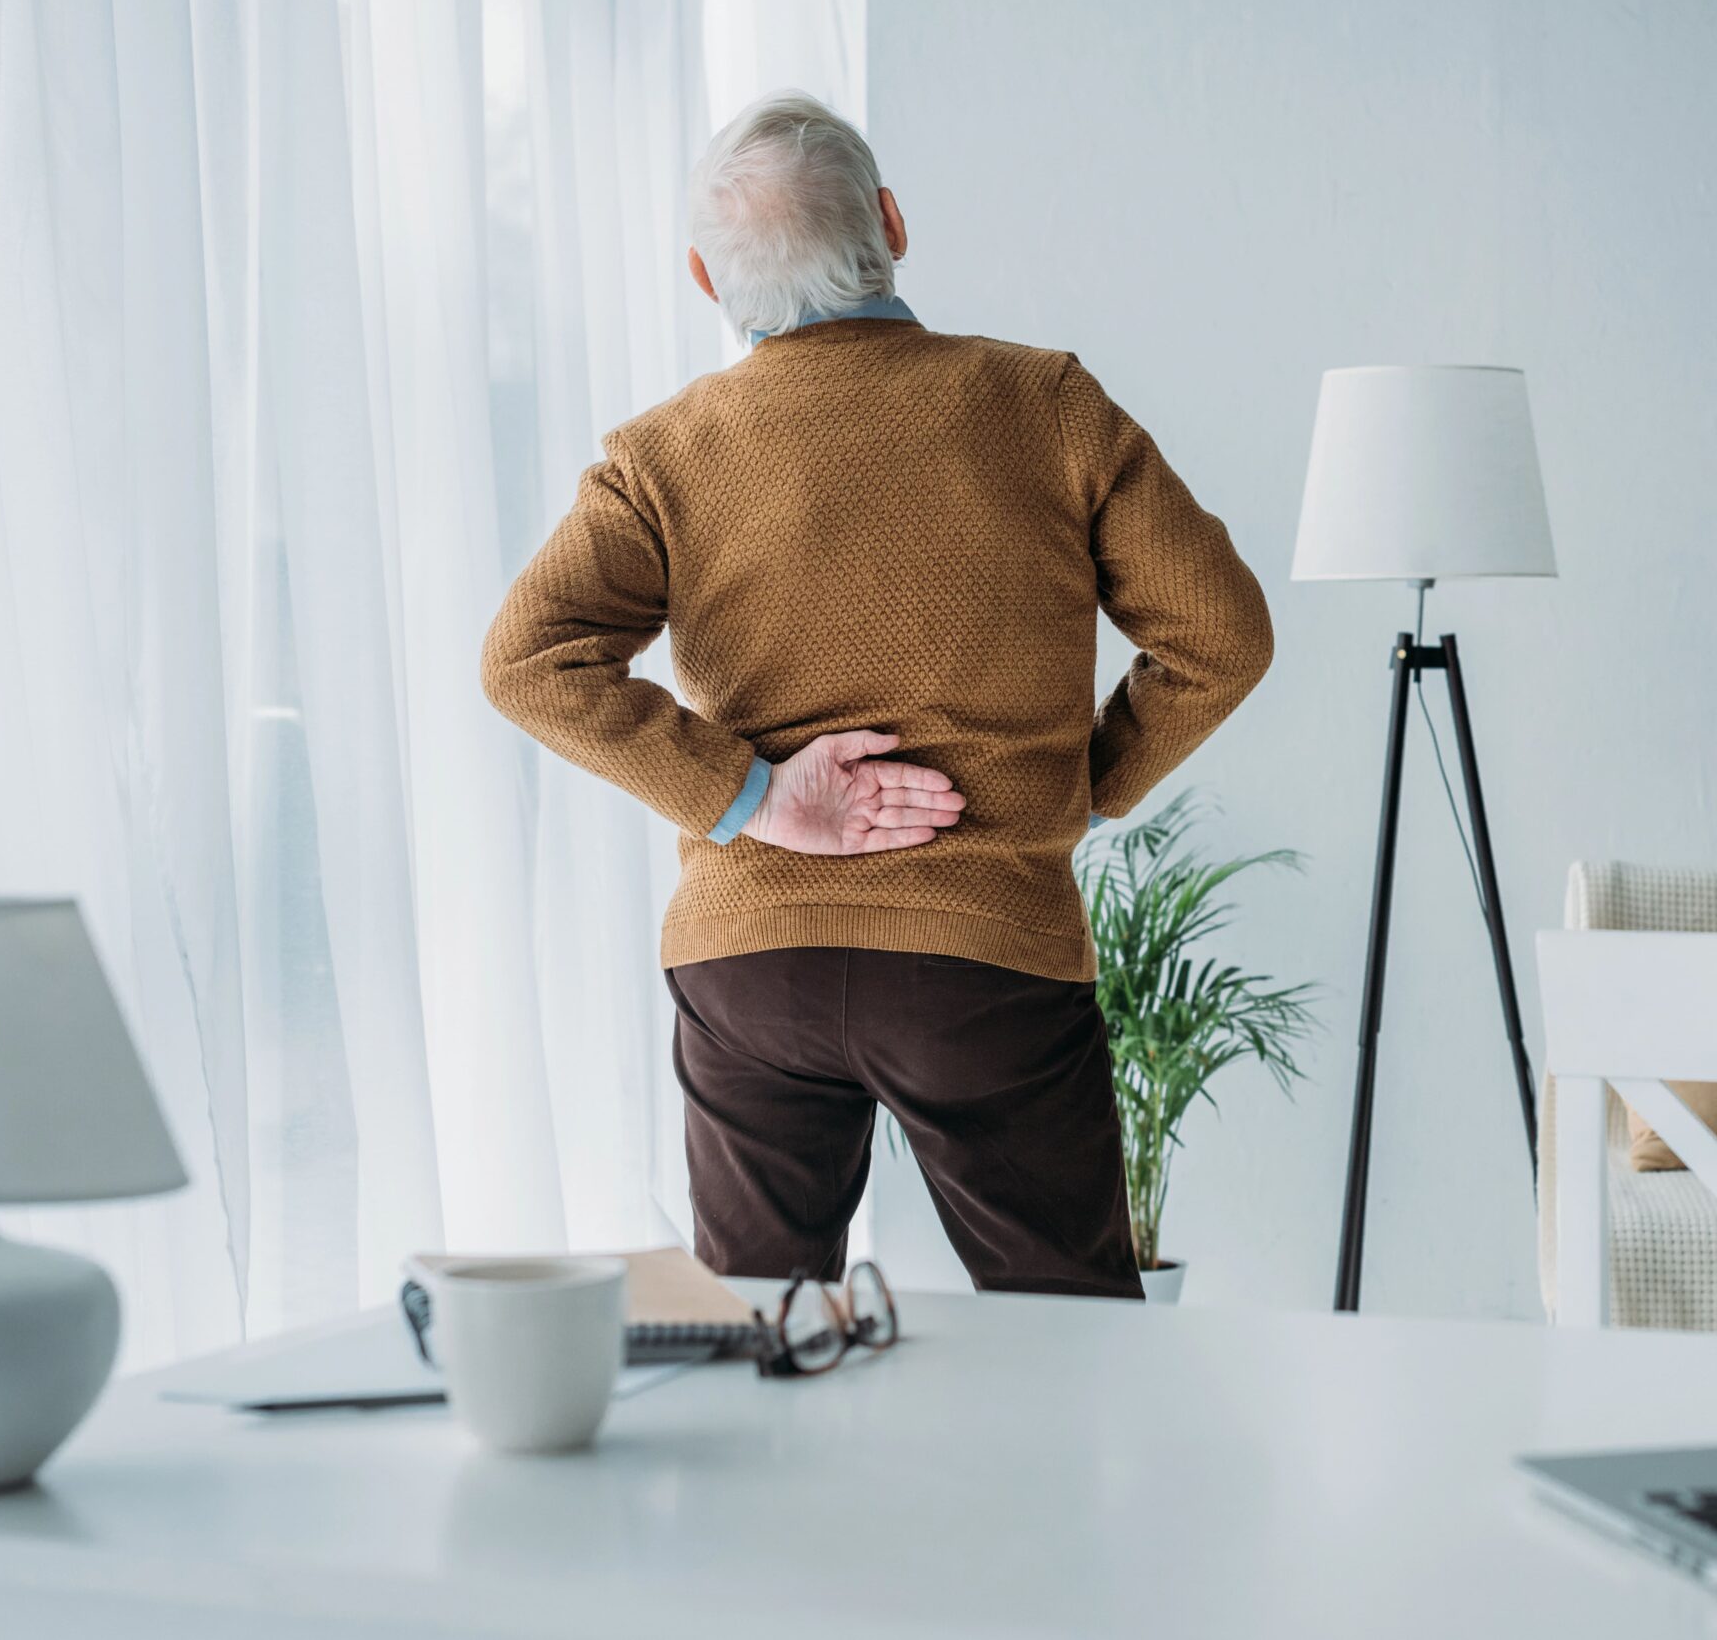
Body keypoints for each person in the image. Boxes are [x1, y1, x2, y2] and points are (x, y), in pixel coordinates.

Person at [481, 91, 1270, 1298]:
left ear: (705, 276)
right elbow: (1220, 633)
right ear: (891, 224)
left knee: (758, 1328)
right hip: (982, 953)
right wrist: (1085, 786)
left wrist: (753, 799)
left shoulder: (662, 452)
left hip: (748, 963)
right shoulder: (1044, 401)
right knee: (1070, 1334)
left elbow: (528, 658)